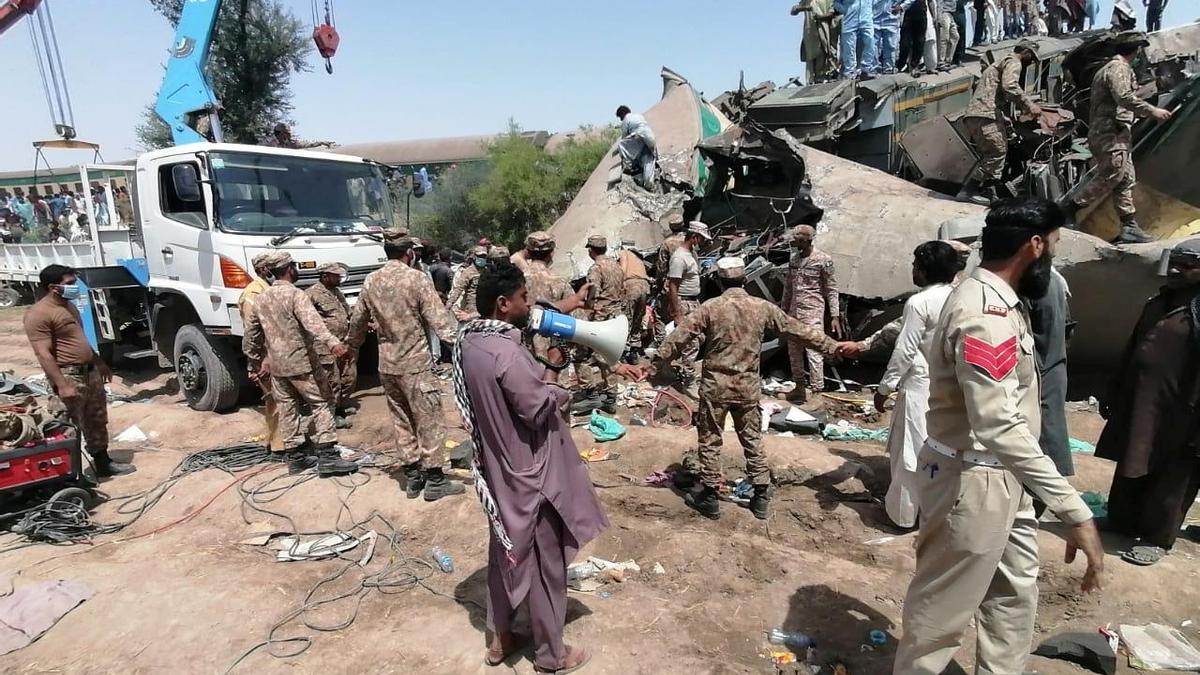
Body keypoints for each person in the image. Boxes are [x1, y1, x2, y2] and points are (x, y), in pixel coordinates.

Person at [892, 198, 1104, 674]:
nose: (1052, 256)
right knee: (939, 617)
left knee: (1014, 597)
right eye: (1053, 246)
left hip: (1005, 479)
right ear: (1034, 246)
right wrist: (1074, 508)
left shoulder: (1003, 304)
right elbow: (996, 423)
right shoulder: (985, 315)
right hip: (973, 481)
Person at [452, 262, 619, 673]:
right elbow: (536, 406)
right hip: (533, 474)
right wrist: (553, 371)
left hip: (500, 474)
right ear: (504, 304)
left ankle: (500, 638)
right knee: (547, 565)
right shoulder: (507, 354)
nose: (530, 304)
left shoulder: (470, 342)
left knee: (506, 555)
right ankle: (552, 655)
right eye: (524, 297)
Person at [654, 257, 847, 520]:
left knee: (710, 440)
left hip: (715, 388)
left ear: (721, 282)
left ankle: (710, 497)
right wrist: (831, 346)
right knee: (752, 440)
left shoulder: (710, 308)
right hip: (747, 388)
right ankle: (760, 496)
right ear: (744, 279)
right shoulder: (763, 308)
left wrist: (653, 363)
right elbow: (798, 330)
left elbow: (679, 337)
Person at [1094, 238, 1200, 566]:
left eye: (1187, 265)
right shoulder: (1160, 302)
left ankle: (1158, 536)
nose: (1177, 270)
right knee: (1132, 459)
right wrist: (1114, 390)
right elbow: (1132, 348)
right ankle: (1122, 521)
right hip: (1141, 401)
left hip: (1183, 412)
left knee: (1174, 473)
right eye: (1175, 263)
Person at [346, 232, 464, 501]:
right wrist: (462, 344)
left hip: (387, 366)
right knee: (429, 419)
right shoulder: (416, 278)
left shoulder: (371, 280)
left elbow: (358, 321)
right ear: (409, 252)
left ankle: (412, 476)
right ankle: (434, 479)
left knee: (401, 420)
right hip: (416, 365)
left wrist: (351, 347)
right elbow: (440, 321)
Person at [243, 252, 358, 477]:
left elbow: (251, 336)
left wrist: (253, 362)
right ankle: (328, 456)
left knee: (288, 408)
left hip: (277, 366)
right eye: (294, 267)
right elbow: (313, 323)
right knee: (322, 403)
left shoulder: (262, 298)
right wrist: (334, 344)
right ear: (290, 269)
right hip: (302, 363)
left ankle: (296, 458)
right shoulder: (295, 295)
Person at [873, 242, 958, 529]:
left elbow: (905, 351)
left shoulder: (919, 303)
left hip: (919, 385)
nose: (912, 270)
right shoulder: (958, 298)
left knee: (910, 451)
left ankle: (903, 515)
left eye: (914, 265)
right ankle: (933, 513)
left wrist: (885, 388)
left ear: (923, 270)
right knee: (941, 451)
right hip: (948, 386)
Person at [23, 265, 134, 477]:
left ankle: (103, 463)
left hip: (89, 372)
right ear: (52, 287)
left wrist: (99, 362)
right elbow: (43, 354)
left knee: (96, 419)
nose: (74, 287)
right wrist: (62, 384)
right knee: (67, 426)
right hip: (68, 374)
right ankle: (71, 477)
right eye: (69, 284)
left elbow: (79, 339)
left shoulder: (69, 306)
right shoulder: (38, 314)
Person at [1063, 32, 1173, 245]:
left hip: (1116, 133)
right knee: (1112, 173)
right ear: (1136, 49)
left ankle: (1129, 226)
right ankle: (1071, 207)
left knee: (1124, 179)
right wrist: (1152, 111)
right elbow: (1123, 97)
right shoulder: (1118, 69)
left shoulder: (1111, 68)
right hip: (1109, 133)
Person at [957, 41, 1042, 206]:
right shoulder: (1014, 61)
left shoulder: (999, 62)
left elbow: (990, 92)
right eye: (1031, 56)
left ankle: (990, 193)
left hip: (979, 114)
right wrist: (1030, 105)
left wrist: (1003, 117)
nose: (1031, 61)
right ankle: (968, 190)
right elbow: (1009, 85)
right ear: (1024, 51)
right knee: (997, 152)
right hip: (985, 114)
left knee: (997, 151)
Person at [1025, 264, 1074, 490]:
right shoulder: (1056, 280)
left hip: (1039, 369)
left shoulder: (1031, 284)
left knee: (1042, 435)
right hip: (1053, 364)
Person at [783, 225, 842, 401]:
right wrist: (783, 311)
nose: (795, 242)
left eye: (799, 239)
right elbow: (788, 287)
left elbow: (831, 288)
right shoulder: (794, 260)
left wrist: (835, 315)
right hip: (794, 313)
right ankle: (799, 387)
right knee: (794, 350)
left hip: (813, 312)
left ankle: (817, 390)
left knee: (814, 351)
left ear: (808, 240)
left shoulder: (823, 260)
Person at [238, 254, 283, 451]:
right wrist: (259, 361)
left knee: (281, 400)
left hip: (276, 355)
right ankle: (278, 447)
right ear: (263, 269)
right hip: (266, 357)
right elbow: (253, 332)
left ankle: (281, 442)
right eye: (271, 267)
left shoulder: (267, 289)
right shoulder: (254, 294)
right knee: (274, 401)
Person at [576, 235, 626, 412]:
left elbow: (592, 291)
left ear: (591, 250)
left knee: (594, 354)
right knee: (609, 354)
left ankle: (601, 396)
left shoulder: (596, 268)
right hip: (616, 314)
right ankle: (611, 394)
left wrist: (587, 307)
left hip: (601, 315)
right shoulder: (616, 265)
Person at [305, 262, 356, 424]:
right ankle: (331, 416)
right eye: (335, 275)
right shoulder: (311, 294)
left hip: (342, 342)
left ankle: (340, 405)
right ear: (325, 276)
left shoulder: (336, 292)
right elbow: (306, 319)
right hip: (324, 345)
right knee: (331, 380)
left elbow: (347, 312)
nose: (339, 278)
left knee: (348, 376)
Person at [663, 221, 710, 393]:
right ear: (694, 237)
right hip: (684, 304)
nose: (704, 243)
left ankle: (665, 363)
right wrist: (677, 312)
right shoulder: (679, 257)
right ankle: (689, 382)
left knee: (696, 339)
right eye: (702, 239)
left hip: (693, 302)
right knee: (691, 343)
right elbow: (673, 286)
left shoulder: (690, 254)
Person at [793, 0, 842, 84]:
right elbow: (793, 11)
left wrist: (819, 17)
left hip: (823, 29)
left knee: (824, 53)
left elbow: (832, 13)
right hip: (809, 32)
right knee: (810, 56)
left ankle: (822, 77)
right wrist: (801, 8)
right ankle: (810, 80)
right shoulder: (806, 1)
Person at [617, 238, 651, 359]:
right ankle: (635, 349)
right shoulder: (638, 256)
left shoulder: (624, 253)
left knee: (627, 318)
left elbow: (622, 270)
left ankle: (624, 350)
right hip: (644, 286)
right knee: (638, 318)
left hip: (631, 286)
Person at [615, 105, 657, 189]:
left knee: (621, 145)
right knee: (647, 160)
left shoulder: (626, 119)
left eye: (620, 117)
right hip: (651, 138)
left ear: (623, 113)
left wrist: (618, 151)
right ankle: (649, 184)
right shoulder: (639, 116)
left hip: (639, 137)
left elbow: (624, 136)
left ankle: (628, 165)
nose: (621, 119)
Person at [835, 0, 880, 79]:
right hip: (849, 19)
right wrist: (845, 10)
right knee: (849, 46)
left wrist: (871, 10)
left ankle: (866, 69)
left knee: (870, 41)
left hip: (866, 18)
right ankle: (849, 72)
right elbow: (836, 3)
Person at [447, 244, 488, 320]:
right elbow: (458, 289)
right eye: (480, 256)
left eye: (484, 257)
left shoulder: (488, 271)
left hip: (485, 310)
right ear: (474, 257)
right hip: (471, 311)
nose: (482, 258)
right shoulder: (468, 272)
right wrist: (449, 304)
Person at [874, 0, 909, 73]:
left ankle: (889, 69)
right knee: (873, 46)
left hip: (891, 20)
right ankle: (874, 69)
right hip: (874, 19)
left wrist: (902, 7)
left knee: (890, 46)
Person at [898, 0, 930, 73]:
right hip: (908, 14)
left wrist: (935, 16)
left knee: (919, 42)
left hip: (921, 14)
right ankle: (901, 65)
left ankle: (914, 66)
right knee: (905, 44)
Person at [934, 0, 960, 69]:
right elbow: (939, 2)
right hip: (944, 13)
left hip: (951, 14)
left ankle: (948, 60)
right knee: (945, 38)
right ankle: (941, 61)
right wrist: (939, 17)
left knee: (955, 37)